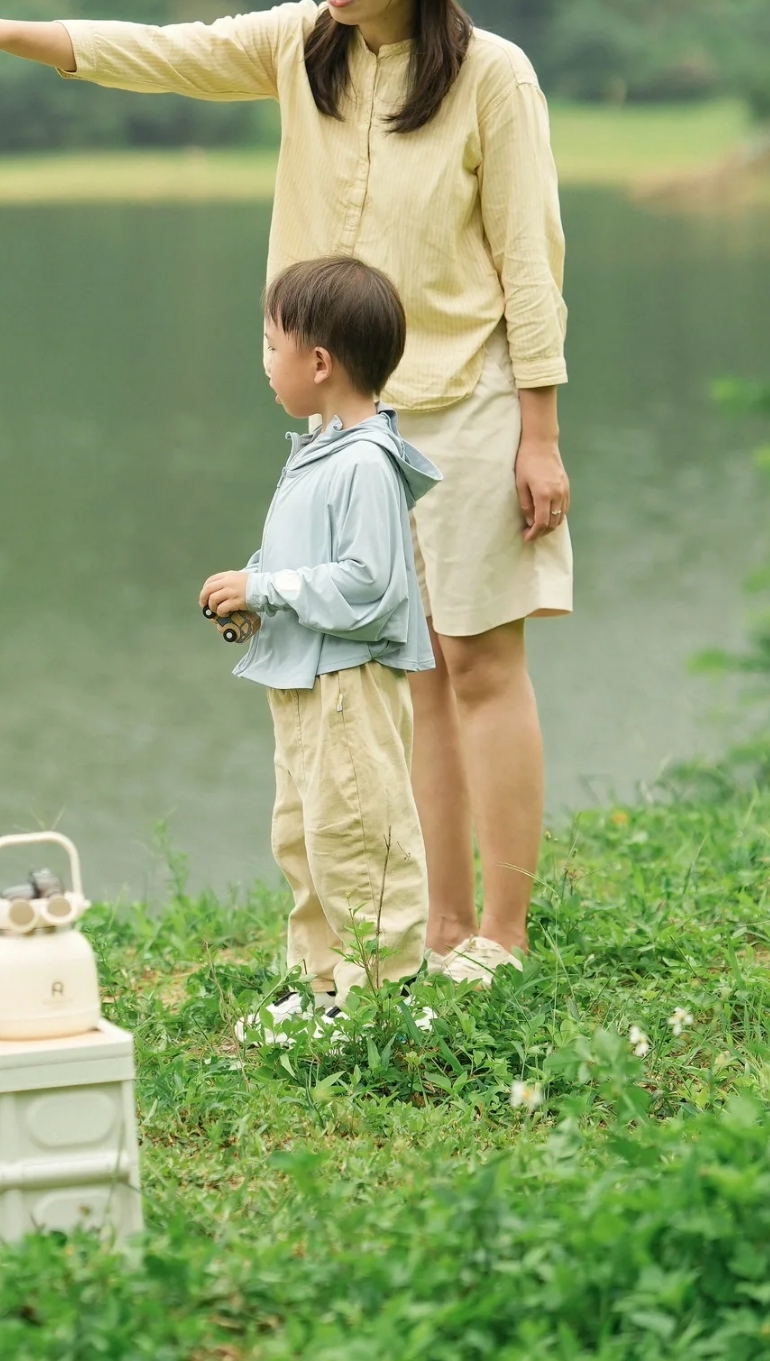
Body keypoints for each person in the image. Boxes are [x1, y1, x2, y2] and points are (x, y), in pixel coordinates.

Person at [0, 0, 571, 983]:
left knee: (480, 664)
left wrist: (541, 434)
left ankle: (503, 934)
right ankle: (443, 927)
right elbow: (161, 50)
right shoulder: (297, 46)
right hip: (351, 425)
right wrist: (11, 34)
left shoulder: (491, 75)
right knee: (406, 673)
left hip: (469, 401)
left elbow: (529, 254)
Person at [199, 255, 438, 1025]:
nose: (264, 361)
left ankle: (386, 995)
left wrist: (265, 587)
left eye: (271, 344)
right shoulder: (317, 452)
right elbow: (308, 567)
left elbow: (369, 586)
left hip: (347, 687)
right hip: (302, 685)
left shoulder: (366, 462)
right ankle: (320, 985)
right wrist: (253, 592)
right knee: (302, 837)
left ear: (319, 361)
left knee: (359, 836)